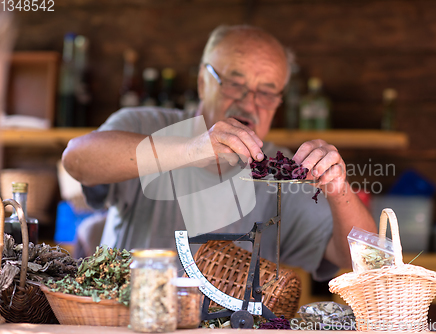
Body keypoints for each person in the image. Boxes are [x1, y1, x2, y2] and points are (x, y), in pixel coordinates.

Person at [62, 25, 376, 281]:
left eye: (267, 93)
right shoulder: (144, 123)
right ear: (202, 82)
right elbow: (76, 160)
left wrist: (338, 188)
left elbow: (366, 259)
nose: (249, 103)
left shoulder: (281, 171)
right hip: (131, 321)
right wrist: (191, 148)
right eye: (233, 84)